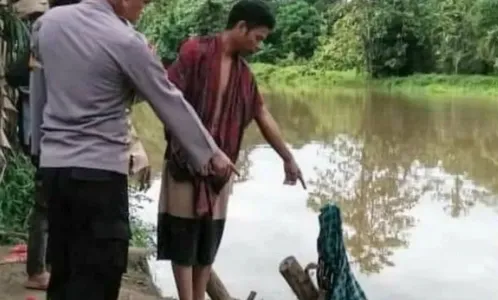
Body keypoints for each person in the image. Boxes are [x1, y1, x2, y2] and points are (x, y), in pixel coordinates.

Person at [29, 0, 236, 299]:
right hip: (99, 178)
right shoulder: (126, 41)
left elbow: (43, 89)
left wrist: (39, 148)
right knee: (99, 276)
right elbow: (167, 100)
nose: (147, 6)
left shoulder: (47, 25)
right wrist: (211, 154)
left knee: (65, 268)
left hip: (55, 172)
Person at [156, 1, 306, 300]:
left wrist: (288, 158)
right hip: (184, 163)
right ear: (241, 27)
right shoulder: (194, 52)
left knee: (207, 241)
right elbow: (166, 98)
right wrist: (196, 149)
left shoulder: (244, 74)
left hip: (221, 174)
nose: (259, 45)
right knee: (183, 238)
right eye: (258, 37)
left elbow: (262, 114)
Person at [5, 41, 49, 291]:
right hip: (43, 138)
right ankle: (37, 270)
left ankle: (44, 265)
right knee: (44, 206)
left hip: (41, 137)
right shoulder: (39, 52)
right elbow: (13, 74)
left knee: (48, 204)